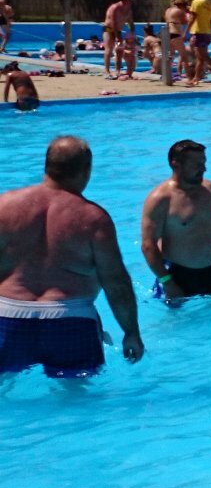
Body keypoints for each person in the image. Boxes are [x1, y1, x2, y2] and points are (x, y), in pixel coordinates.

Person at [0, 137, 144, 377]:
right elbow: (115, 282)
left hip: (7, 315)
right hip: (70, 319)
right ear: (86, 171)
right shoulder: (93, 218)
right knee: (77, 393)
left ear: (47, 165)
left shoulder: (5, 205)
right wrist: (131, 332)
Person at [139, 139, 211, 300]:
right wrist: (168, 282)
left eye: (203, 162)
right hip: (177, 276)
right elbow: (148, 246)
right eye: (196, 164)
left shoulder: (210, 190)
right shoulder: (160, 199)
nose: (203, 168)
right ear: (176, 165)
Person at [186, 0, 211, 86]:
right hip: (206, 32)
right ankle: (196, 78)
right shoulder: (208, 3)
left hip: (198, 32)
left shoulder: (196, 2)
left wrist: (186, 31)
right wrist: (210, 32)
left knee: (203, 57)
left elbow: (192, 17)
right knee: (201, 57)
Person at [103, 0, 134, 80]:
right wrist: (117, 36)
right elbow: (113, 22)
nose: (129, 2)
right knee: (109, 50)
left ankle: (117, 71)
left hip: (118, 30)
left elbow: (130, 22)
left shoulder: (128, 10)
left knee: (119, 51)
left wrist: (131, 32)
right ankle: (107, 71)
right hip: (109, 29)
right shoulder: (115, 7)